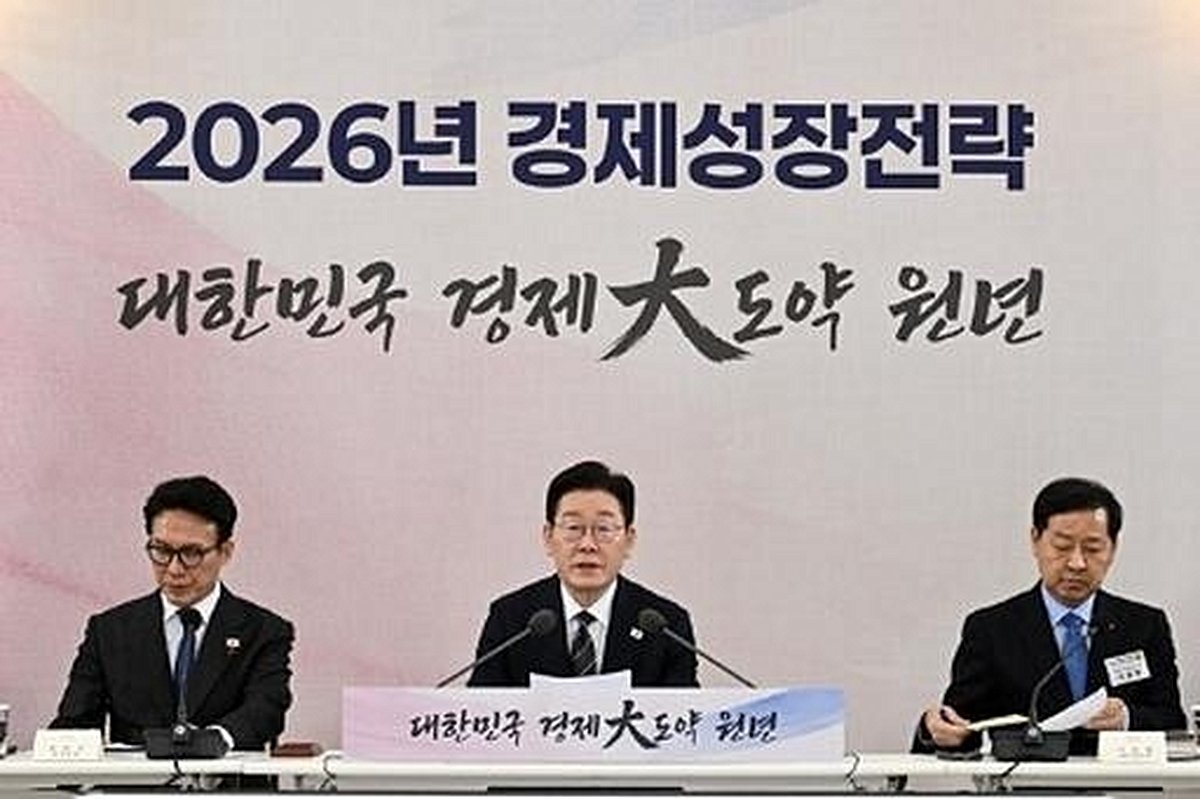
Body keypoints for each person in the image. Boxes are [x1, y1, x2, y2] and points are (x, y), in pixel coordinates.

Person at [914, 477, 1185, 755]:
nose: (1077, 563)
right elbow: (959, 726)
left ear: (1113, 548)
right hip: (1027, 779)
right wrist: (934, 728)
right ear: (1036, 540)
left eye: (1093, 549)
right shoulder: (992, 629)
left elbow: (1173, 723)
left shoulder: (1144, 626)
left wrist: (1126, 718)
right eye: (1062, 547)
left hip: (1120, 780)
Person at [51, 475, 294, 750]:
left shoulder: (263, 631)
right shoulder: (110, 631)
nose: (174, 569)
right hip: (135, 777)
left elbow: (266, 710)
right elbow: (75, 722)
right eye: (161, 550)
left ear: (225, 552)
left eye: (192, 553)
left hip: (225, 776)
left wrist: (210, 742)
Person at [468, 460, 698, 687]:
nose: (587, 545)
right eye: (573, 528)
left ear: (629, 540)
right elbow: (482, 706)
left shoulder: (667, 626)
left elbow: (685, 709)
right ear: (548, 537)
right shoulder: (510, 620)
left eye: (604, 529)